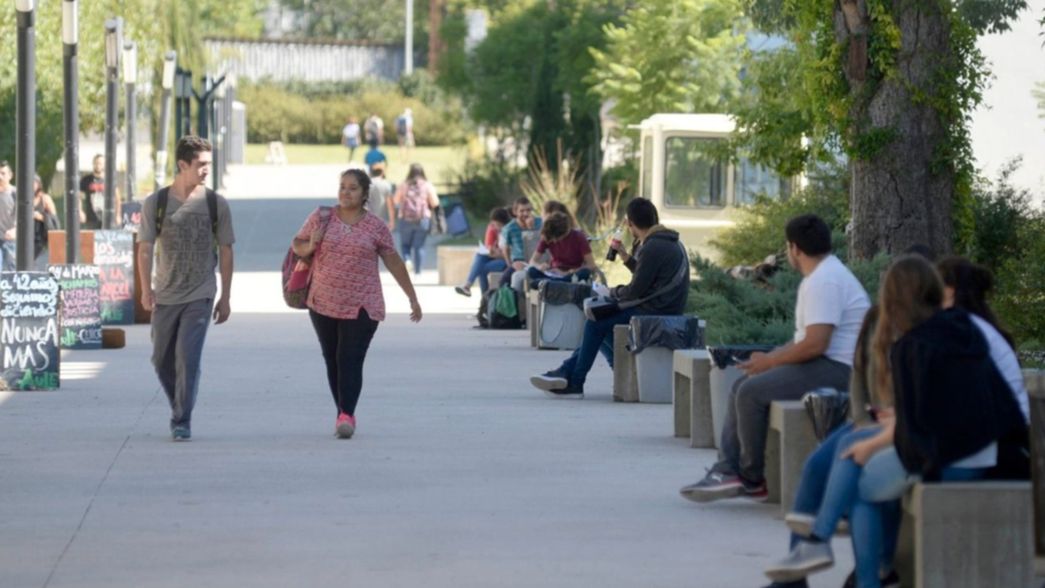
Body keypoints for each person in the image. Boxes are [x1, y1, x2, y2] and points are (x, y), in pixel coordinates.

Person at [764, 255, 1028, 588]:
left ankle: (826, 547)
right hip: (977, 449)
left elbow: (919, 426)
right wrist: (882, 431)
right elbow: (939, 411)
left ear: (891, 300)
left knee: (859, 473)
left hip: (949, 458)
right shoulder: (960, 329)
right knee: (855, 457)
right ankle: (845, 559)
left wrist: (873, 442)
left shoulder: (913, 346)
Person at [681, 214, 870, 502]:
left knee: (750, 392)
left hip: (840, 371)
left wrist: (771, 362)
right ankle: (727, 469)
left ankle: (750, 477)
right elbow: (804, 340)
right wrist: (770, 357)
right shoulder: (824, 275)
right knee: (740, 386)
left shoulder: (825, 280)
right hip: (827, 364)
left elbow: (817, 344)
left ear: (794, 248)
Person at [292, 168, 423, 439]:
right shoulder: (321, 217)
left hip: (363, 305)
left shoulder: (376, 226)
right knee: (332, 359)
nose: (345, 192)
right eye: (342, 186)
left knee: (350, 358)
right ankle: (342, 410)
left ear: (364, 193)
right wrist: (310, 245)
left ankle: (346, 415)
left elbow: (394, 261)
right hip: (323, 301)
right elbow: (298, 244)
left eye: (352, 187)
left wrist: (412, 296)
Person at [528, 198, 689, 398]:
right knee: (599, 321)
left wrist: (610, 292)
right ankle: (581, 372)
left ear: (630, 224)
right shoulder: (669, 241)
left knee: (595, 323)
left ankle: (575, 381)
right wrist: (626, 257)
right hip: (665, 305)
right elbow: (648, 276)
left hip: (656, 309)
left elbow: (635, 290)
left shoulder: (652, 246)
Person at [137, 136, 235, 442]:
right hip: (165, 293)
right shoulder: (157, 203)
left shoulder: (214, 204)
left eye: (209, 164)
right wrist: (144, 289)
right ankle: (178, 403)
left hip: (201, 293)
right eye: (201, 164)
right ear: (183, 165)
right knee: (161, 359)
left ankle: (182, 419)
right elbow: (143, 249)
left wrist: (225, 297)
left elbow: (227, 250)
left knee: (187, 357)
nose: (207, 170)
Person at [524, 211, 596, 286]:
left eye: (556, 239)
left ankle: (553, 283)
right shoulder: (548, 236)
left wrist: (571, 271)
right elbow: (532, 261)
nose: (554, 242)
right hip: (554, 271)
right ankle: (556, 283)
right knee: (531, 271)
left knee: (584, 273)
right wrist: (539, 266)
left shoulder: (579, 237)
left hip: (572, 273)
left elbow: (591, 265)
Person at [392, 163, 440, 275]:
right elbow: (435, 203)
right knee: (419, 247)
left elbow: (396, 201)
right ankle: (418, 272)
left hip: (405, 219)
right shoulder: (427, 185)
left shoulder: (404, 185)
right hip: (422, 219)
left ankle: (407, 260)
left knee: (405, 245)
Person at [455, 207, 511, 297]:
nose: (495, 227)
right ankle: (469, 286)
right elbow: (490, 246)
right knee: (480, 255)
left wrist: (497, 254)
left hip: (507, 262)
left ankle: (483, 298)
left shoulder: (508, 232)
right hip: (498, 257)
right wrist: (492, 251)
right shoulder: (494, 229)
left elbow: (508, 255)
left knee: (482, 269)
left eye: (498, 224)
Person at [80, 154, 120, 230]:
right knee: (92, 240)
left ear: (104, 165)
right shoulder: (86, 180)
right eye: (96, 163)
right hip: (91, 218)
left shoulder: (110, 180)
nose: (98, 165)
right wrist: (80, 211)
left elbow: (117, 199)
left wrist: (117, 215)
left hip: (107, 218)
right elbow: (79, 197)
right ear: (93, 164)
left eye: (100, 163)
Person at [32, 174, 59, 270]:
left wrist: (41, 217)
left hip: (40, 236)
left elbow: (54, 220)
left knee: (37, 262)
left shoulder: (45, 198)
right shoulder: (21, 197)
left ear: (39, 184)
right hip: (24, 235)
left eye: (34, 183)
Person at [0, 161, 16, 271]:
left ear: (10, 175)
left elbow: (24, 216)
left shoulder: (15, 193)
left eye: (3, 173)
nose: (0, 176)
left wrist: (15, 230)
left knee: (12, 270)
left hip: (10, 238)